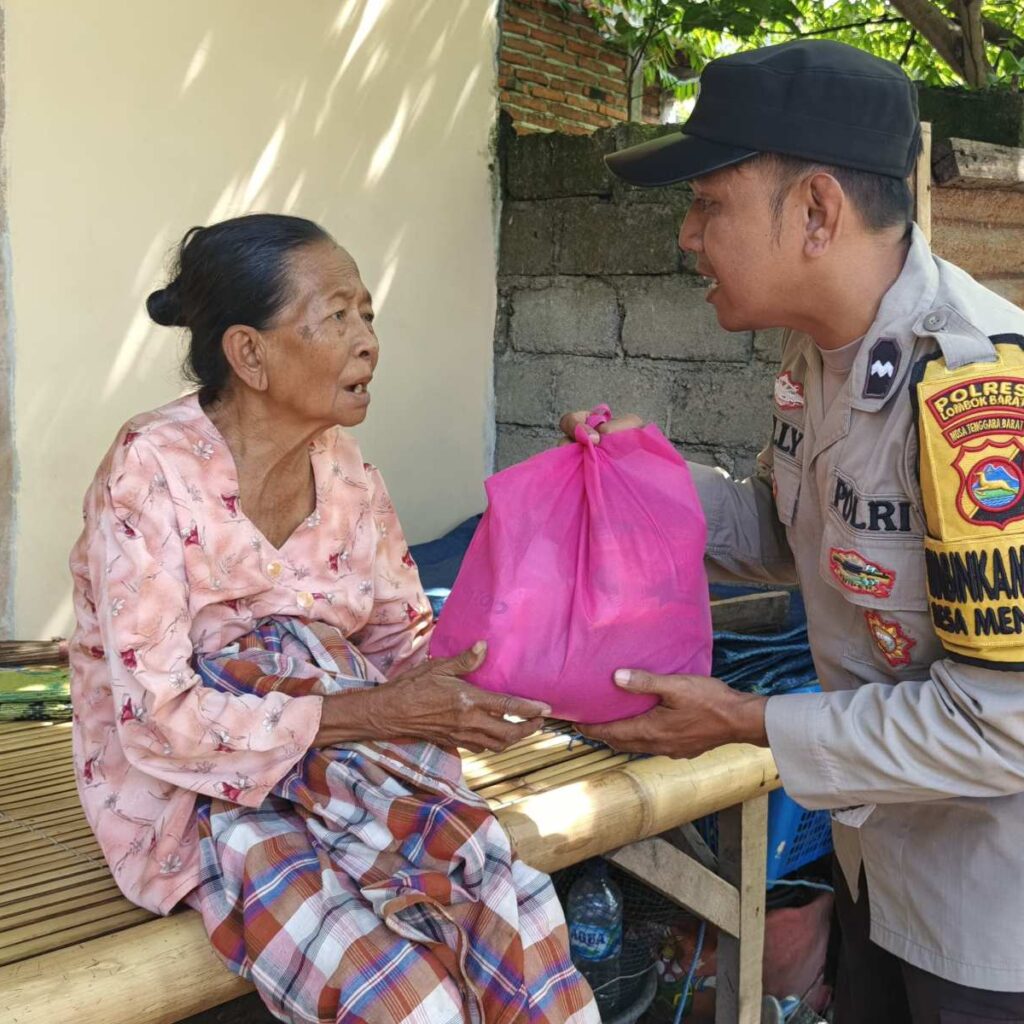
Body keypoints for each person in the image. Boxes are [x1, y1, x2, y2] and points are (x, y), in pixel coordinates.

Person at [560, 40, 1024, 1024]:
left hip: (991, 908)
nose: (687, 235)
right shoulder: (820, 354)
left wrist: (743, 721)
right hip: (879, 856)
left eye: (708, 203)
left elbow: (1005, 725)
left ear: (815, 211)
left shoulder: (976, 395)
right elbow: (790, 531)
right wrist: (639, 487)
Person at [70, 214, 598, 1024]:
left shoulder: (348, 474)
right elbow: (159, 723)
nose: (367, 343)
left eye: (368, 315)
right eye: (337, 316)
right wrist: (377, 710)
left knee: (513, 920)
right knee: (413, 1002)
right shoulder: (150, 471)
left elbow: (409, 652)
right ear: (249, 354)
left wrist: (556, 541)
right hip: (201, 802)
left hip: (354, 775)